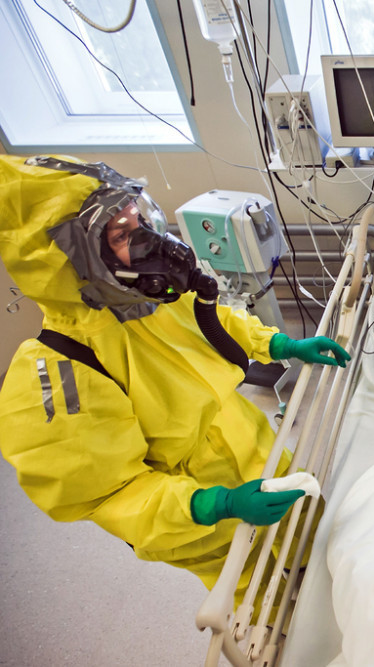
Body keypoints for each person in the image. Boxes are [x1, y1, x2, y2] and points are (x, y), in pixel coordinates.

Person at [0, 155, 350, 600]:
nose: (149, 242)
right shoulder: (59, 372)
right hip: (194, 511)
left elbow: (215, 322)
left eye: (139, 220)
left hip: (253, 445)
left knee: (312, 531)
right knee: (255, 592)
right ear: (72, 260)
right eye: (122, 235)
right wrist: (215, 504)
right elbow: (111, 494)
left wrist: (280, 345)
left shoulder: (146, 299)